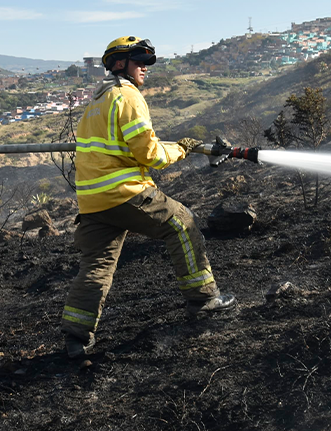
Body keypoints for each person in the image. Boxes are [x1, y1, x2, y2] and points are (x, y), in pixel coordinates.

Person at [62, 36, 236, 359]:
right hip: (124, 193)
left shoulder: (95, 103)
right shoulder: (127, 97)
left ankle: (76, 338)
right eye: (139, 60)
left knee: (97, 266)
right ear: (119, 64)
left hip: (92, 202)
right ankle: (204, 300)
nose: (145, 67)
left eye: (147, 62)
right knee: (182, 223)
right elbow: (151, 154)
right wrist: (182, 148)